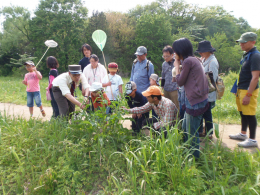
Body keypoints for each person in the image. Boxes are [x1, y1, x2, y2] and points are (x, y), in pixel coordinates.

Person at [173, 38, 209, 158]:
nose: (174, 54)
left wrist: (177, 66)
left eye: (175, 51)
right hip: (197, 99)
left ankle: (194, 158)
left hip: (195, 101)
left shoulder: (188, 61)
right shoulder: (194, 59)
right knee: (185, 127)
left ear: (180, 50)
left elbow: (180, 81)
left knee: (191, 132)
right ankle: (187, 152)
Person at [229, 32, 260, 147]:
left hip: (248, 90)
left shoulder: (256, 56)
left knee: (250, 114)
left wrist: (249, 94)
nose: (241, 44)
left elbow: (255, 77)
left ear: (253, 42)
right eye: (240, 42)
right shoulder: (247, 54)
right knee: (243, 113)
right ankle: (243, 134)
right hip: (241, 88)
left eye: (244, 42)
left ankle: (252, 140)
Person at [196, 41, 219, 139]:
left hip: (208, 91)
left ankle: (209, 133)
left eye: (203, 51)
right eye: (200, 52)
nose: (201, 53)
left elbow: (212, 80)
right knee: (201, 112)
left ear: (209, 51)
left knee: (207, 113)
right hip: (202, 92)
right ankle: (201, 131)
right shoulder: (205, 59)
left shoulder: (212, 62)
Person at [161, 45, 179, 110]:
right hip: (166, 89)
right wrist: (162, 87)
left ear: (172, 55)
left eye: (167, 56)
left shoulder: (177, 62)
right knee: (167, 107)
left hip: (175, 89)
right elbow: (163, 76)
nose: (165, 58)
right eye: (164, 56)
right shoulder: (164, 64)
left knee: (176, 107)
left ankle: (177, 120)